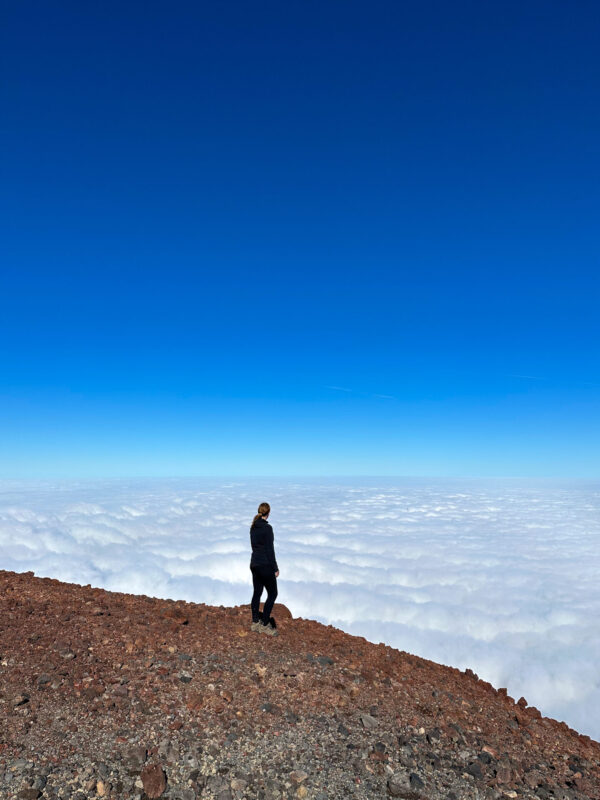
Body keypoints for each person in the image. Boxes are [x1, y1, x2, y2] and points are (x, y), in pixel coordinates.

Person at [249, 501, 279, 635]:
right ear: (269, 513)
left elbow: (255, 547)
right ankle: (265, 624)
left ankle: (255, 622)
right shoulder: (267, 528)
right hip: (265, 565)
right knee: (273, 594)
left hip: (254, 564)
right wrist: (275, 568)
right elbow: (269, 550)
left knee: (257, 592)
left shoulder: (253, 527)